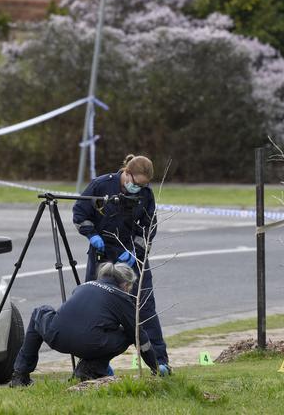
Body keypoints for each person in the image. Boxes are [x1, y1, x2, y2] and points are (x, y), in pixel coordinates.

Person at [72, 154, 171, 374]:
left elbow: (148, 227)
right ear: (126, 173)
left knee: (144, 306)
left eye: (144, 185)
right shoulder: (101, 185)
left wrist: (135, 252)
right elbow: (80, 213)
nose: (139, 189)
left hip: (131, 255)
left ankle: (160, 362)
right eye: (136, 184)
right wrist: (91, 235)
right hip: (102, 253)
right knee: (96, 309)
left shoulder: (145, 194)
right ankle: (93, 366)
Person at [9, 262, 159, 387]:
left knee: (39, 312)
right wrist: (155, 367)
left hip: (57, 337)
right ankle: (88, 370)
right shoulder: (121, 297)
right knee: (128, 334)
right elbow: (139, 335)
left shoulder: (85, 285)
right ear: (126, 284)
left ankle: (20, 375)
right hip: (90, 344)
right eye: (130, 287)